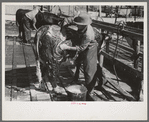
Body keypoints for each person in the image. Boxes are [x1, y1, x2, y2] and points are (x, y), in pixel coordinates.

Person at [60, 12, 98, 93]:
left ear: (84, 25)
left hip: (91, 47)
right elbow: (67, 19)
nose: (77, 26)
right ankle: (102, 80)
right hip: (83, 43)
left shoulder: (88, 35)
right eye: (76, 24)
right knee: (83, 63)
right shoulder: (81, 22)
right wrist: (63, 29)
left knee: (89, 68)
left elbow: (81, 48)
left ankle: (89, 89)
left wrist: (67, 47)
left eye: (78, 24)